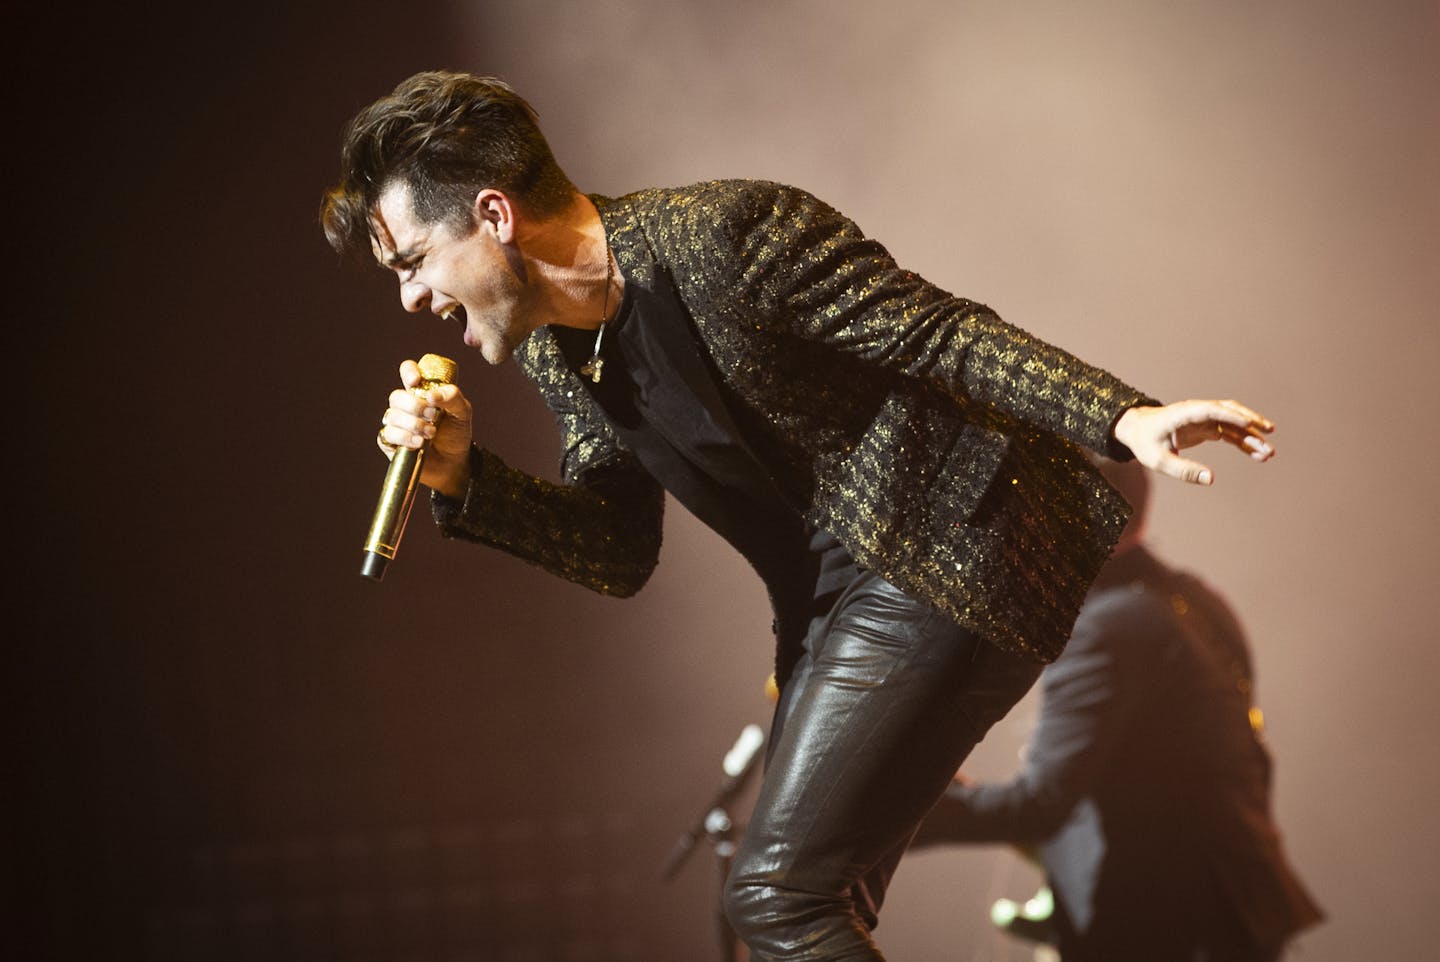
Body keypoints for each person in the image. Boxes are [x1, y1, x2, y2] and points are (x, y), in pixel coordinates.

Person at [320, 71, 1277, 961]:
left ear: (494, 215)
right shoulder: (556, 352)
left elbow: (937, 332)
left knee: (778, 896)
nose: (411, 296)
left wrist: (1120, 415)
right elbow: (617, 548)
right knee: (801, 902)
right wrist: (460, 479)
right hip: (834, 607)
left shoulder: (723, 234)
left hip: (946, 551)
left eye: (412, 261)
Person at [910, 457, 1322, 962]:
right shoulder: (1197, 599)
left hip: (1166, 927)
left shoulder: (1105, 630)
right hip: (1237, 908)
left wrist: (897, 799)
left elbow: (1038, 806)